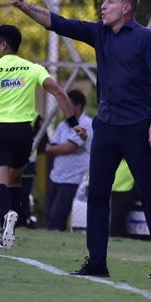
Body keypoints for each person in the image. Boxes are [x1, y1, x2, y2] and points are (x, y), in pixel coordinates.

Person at [10, 0, 151, 279]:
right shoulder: (99, 32)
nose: (103, 6)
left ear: (126, 8)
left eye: (110, 2)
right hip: (107, 126)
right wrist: (24, 6)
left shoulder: (145, 39)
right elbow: (58, 23)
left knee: (150, 194)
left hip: (138, 126)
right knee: (98, 193)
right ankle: (97, 262)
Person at [0, 24, 86, 249]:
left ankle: (9, 214)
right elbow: (59, 92)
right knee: (16, 180)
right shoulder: (33, 68)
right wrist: (73, 123)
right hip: (23, 131)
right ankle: (6, 232)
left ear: (4, 45)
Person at [46, 90, 93, 231]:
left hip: (73, 179)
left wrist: (66, 147)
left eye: (68, 104)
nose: (64, 107)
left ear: (78, 106)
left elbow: (67, 148)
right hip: (55, 176)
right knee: (51, 216)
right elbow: (50, 149)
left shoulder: (87, 124)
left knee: (56, 218)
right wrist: (68, 147)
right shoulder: (62, 125)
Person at [110, 159, 137, 237]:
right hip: (119, 184)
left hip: (124, 184)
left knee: (118, 217)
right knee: (116, 217)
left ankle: (117, 236)